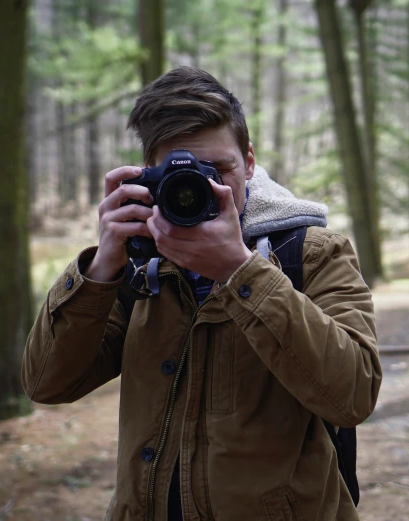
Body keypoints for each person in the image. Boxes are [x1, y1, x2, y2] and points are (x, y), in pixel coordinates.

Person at [21, 66, 382, 521]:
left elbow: (353, 395)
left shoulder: (309, 254)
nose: (203, 188)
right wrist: (98, 268)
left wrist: (241, 271)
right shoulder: (136, 264)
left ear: (249, 162)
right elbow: (46, 383)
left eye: (220, 169)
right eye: (182, 173)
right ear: (149, 173)